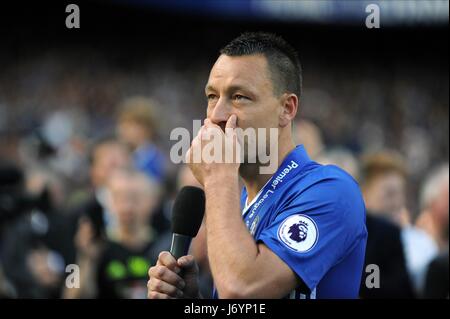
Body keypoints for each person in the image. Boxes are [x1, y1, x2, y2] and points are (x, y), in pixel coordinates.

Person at [148, 32, 367, 299]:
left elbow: (243, 290)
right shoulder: (236, 206)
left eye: (239, 97)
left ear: (286, 108)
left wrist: (218, 177)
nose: (216, 115)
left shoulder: (331, 190)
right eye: (212, 96)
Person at [64, 168, 163, 299]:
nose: (127, 206)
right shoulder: (98, 246)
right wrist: (86, 260)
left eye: (135, 198)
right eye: (119, 197)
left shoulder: (165, 245)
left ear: (153, 201)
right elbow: (72, 296)